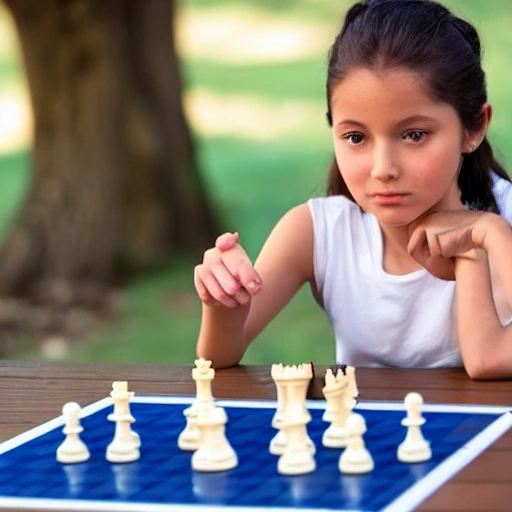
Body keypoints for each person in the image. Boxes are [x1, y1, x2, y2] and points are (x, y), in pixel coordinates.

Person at [193, 0, 512, 379]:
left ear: (474, 128)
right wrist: (223, 306)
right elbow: (216, 363)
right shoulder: (316, 232)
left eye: (414, 135)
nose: (383, 169)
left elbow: (487, 360)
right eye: (356, 137)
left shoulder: (504, 219)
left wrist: (491, 236)